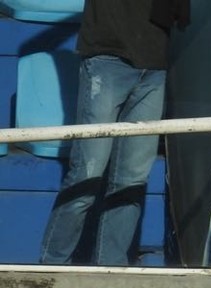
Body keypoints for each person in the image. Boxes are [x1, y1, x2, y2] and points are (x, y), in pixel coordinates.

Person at [39, 0, 189, 266]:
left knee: (132, 178)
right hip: (108, 57)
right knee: (87, 173)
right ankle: (51, 270)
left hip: (155, 63)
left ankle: (111, 269)